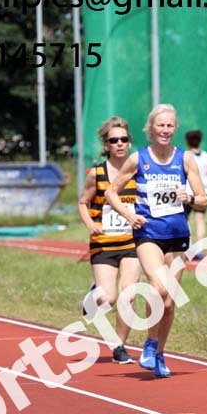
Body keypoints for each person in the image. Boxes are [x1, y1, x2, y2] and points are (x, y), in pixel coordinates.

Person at [105, 104, 207, 378]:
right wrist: (129, 214)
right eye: (160, 125)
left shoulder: (185, 159)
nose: (165, 130)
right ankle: (150, 344)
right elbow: (111, 193)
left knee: (169, 303)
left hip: (177, 236)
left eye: (170, 125)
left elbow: (204, 199)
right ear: (150, 128)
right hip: (148, 234)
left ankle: (159, 353)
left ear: (175, 128)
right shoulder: (138, 159)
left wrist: (190, 198)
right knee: (159, 287)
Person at [78, 117, 143, 364]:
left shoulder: (138, 171)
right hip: (103, 244)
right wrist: (90, 223)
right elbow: (83, 202)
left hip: (131, 244)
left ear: (129, 143)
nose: (119, 144)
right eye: (113, 140)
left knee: (128, 296)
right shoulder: (97, 174)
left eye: (123, 139)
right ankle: (94, 295)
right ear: (106, 145)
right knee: (109, 299)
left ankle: (119, 348)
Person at [183, 130, 207, 257]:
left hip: (189, 193)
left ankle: (189, 247)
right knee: (200, 220)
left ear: (187, 141)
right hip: (205, 191)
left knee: (185, 219)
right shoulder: (205, 155)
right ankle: (199, 249)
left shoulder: (186, 155)